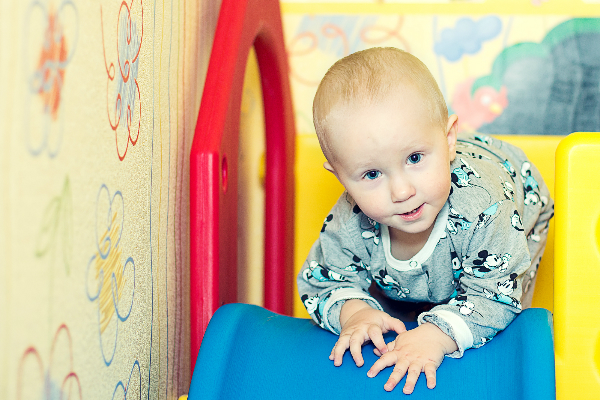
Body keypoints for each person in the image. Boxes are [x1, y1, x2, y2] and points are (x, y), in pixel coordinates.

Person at [297, 47, 554, 395]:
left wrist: (436, 335)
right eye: (372, 174)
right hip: (437, 242)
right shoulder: (350, 221)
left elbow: (497, 294)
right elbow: (323, 281)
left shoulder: (486, 208)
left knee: (500, 314)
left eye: (415, 158)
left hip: (518, 199)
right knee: (397, 309)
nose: (402, 191)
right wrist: (354, 313)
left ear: (448, 140)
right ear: (340, 177)